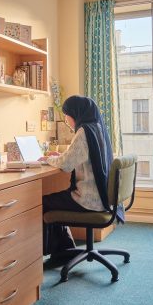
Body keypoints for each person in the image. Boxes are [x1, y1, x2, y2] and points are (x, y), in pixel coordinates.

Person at [42, 95, 124, 259]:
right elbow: (77, 157)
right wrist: (62, 155)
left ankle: (60, 252)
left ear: (76, 113)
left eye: (67, 115)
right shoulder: (97, 128)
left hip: (88, 199)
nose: (66, 120)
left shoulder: (83, 132)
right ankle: (63, 249)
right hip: (103, 197)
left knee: (41, 203)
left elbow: (66, 164)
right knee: (54, 199)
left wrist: (47, 159)